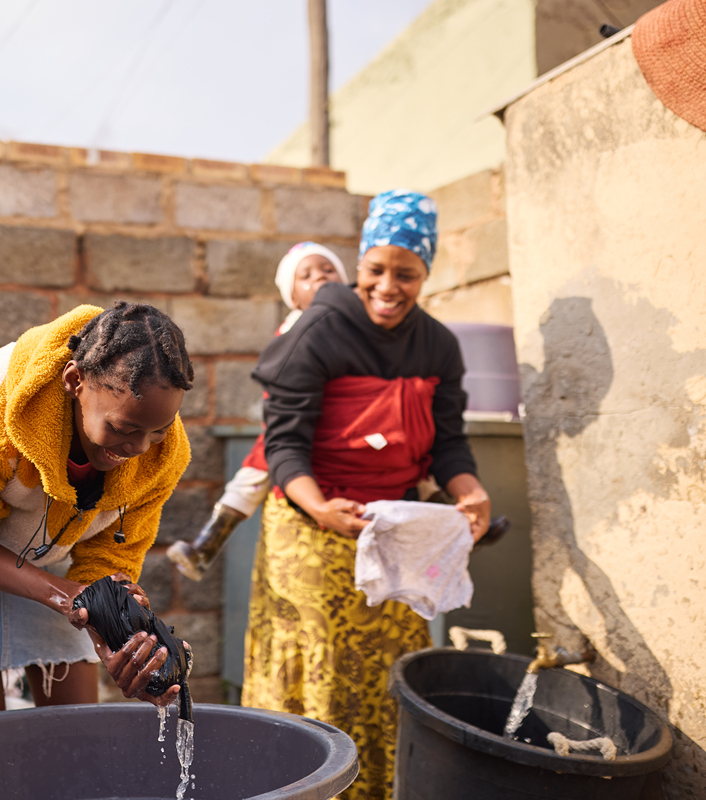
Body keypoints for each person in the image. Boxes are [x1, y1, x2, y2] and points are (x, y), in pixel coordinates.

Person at [241, 190, 491, 800]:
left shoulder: (438, 345)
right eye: (376, 270)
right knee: (319, 674)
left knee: (387, 678)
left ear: (426, 273)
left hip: (391, 534)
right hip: (311, 526)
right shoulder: (321, 328)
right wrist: (320, 507)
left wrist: (470, 489)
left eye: (406, 274)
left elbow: (447, 443)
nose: (388, 286)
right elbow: (284, 444)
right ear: (359, 266)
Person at [0, 301, 195, 717]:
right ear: (75, 381)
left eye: (158, 431)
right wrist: (65, 596)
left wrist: (113, 635)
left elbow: (108, 558)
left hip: (55, 548)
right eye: (123, 429)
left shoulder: (163, 455)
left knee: (74, 731)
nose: (139, 449)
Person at [167, 242, 348, 580]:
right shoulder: (295, 329)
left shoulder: (356, 322)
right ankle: (207, 542)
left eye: (328, 269)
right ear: (293, 297)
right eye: (306, 276)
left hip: (342, 418)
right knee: (254, 472)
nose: (320, 278)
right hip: (296, 421)